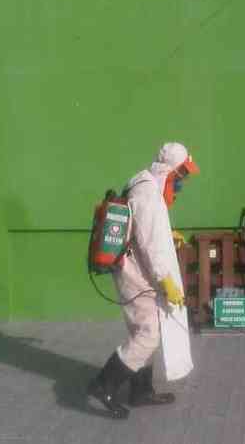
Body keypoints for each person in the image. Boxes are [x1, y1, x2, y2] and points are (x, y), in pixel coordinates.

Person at [88, 142, 199, 419]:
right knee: (148, 334)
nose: (182, 183)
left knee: (146, 331)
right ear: (169, 172)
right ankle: (104, 385)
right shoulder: (149, 195)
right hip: (135, 274)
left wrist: (168, 235)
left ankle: (141, 391)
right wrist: (167, 282)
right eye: (181, 176)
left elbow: (142, 231)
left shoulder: (144, 185)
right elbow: (152, 246)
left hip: (136, 268)